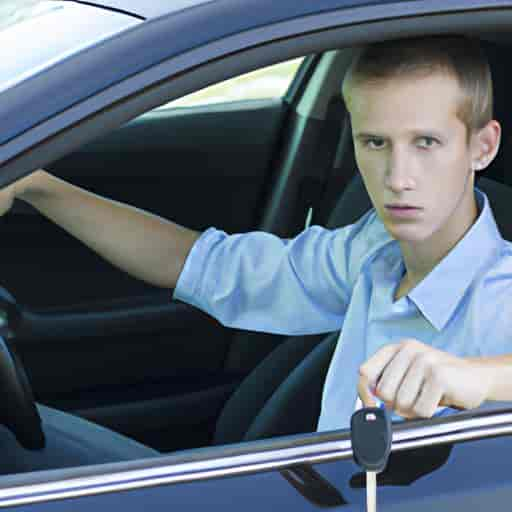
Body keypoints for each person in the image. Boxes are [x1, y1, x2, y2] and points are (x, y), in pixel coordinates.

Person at [2, 35, 512, 431]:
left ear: (482, 148)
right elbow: (204, 264)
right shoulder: (370, 252)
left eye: (426, 142)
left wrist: (476, 377)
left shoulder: (500, 292)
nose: (398, 176)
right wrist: (39, 187)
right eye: (375, 143)